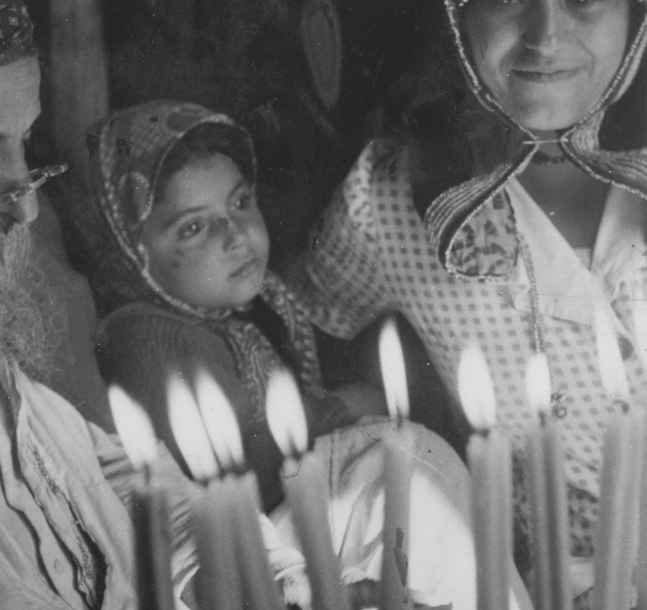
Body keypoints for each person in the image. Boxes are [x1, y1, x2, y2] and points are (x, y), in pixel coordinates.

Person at [295, 0, 647, 604]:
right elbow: (301, 336)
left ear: (637, 12)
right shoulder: (392, 194)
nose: (545, 37)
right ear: (457, 9)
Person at [58, 98, 534, 609]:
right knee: (407, 465)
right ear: (131, 250)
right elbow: (234, 471)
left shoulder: (227, 313)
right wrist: (343, 410)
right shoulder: (152, 342)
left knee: (419, 480)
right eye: (194, 228)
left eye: (241, 203)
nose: (236, 235)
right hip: (249, 560)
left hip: (295, 517)